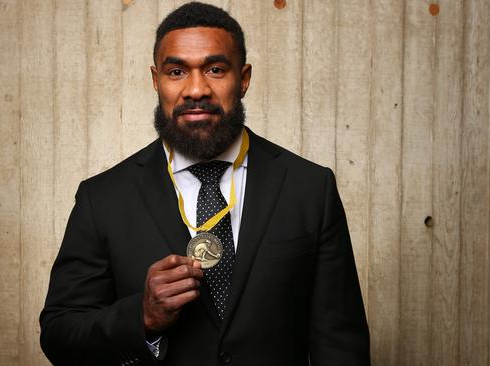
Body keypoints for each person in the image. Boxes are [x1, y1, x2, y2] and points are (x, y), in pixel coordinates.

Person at [40, 2, 370, 365]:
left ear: (243, 79)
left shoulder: (309, 188)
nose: (196, 89)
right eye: (177, 71)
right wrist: (143, 317)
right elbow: (59, 335)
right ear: (156, 81)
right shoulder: (102, 198)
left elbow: (341, 344)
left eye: (215, 69)